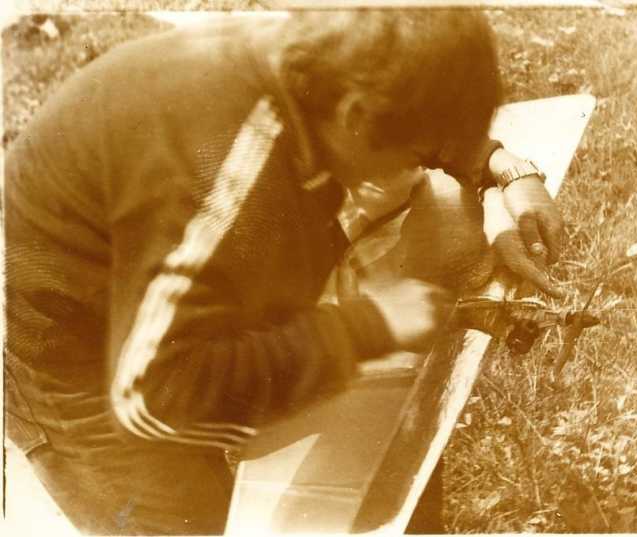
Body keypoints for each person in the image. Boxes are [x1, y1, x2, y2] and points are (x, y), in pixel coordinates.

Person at [4, 10, 564, 535]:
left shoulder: (323, 59)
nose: (420, 165)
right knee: (186, 517)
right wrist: (363, 329)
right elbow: (155, 395)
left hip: (162, 272)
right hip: (73, 356)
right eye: (416, 156)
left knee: (376, 435)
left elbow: (419, 104)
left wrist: (506, 169)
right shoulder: (230, 184)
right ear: (355, 119)